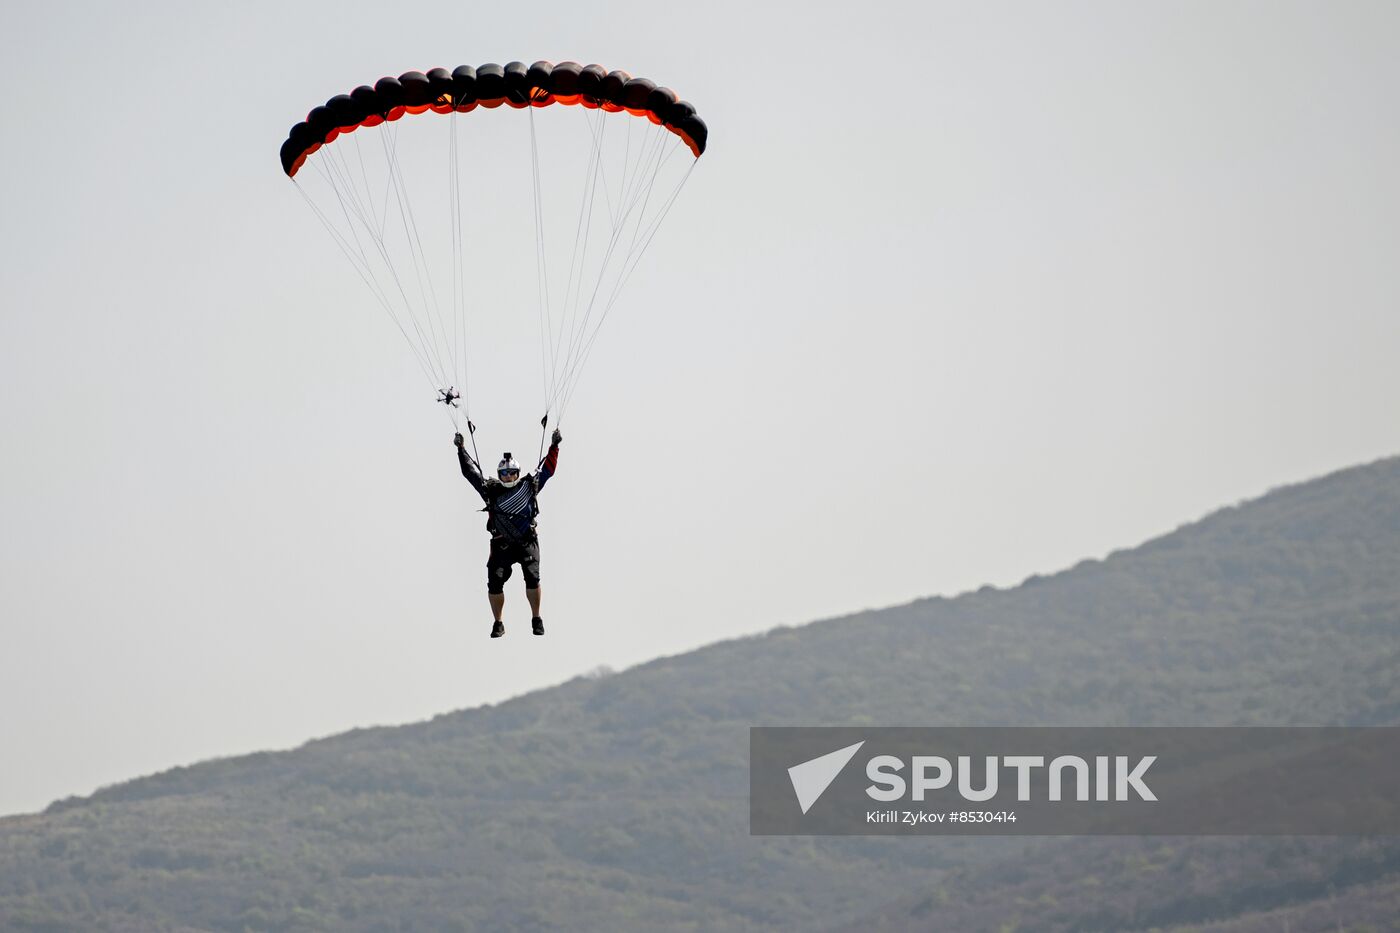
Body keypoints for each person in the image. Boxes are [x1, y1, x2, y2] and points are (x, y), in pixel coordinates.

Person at [454, 428, 562, 638]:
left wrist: (554, 446)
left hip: (526, 541)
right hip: (501, 544)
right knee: (494, 582)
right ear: (499, 474)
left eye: (512, 472)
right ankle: (498, 623)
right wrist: (461, 449)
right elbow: (470, 473)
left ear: (518, 473)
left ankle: (536, 618)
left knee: (532, 577)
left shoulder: (529, 486)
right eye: (504, 473)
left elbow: (548, 470)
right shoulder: (491, 490)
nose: (508, 476)